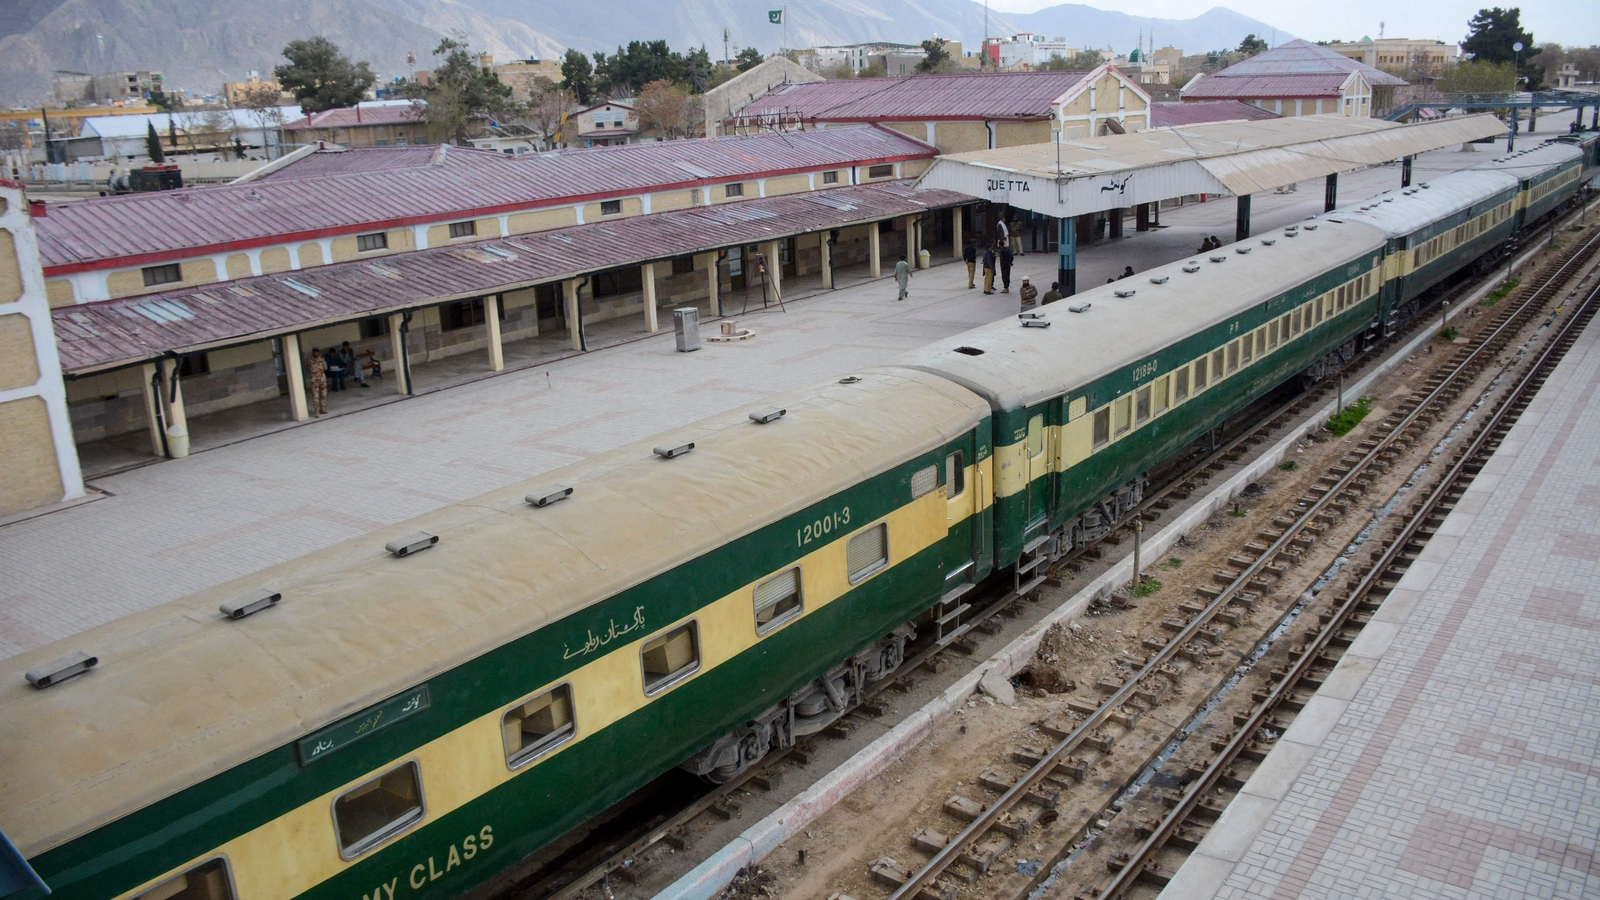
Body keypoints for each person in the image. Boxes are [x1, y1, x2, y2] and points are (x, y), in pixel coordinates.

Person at [307, 349, 328, 417]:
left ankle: (322, 408)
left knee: (323, 394)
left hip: (322, 379)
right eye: (315, 352)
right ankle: (316, 411)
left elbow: (325, 367)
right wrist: (320, 367)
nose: (316, 353)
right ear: (313, 353)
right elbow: (312, 369)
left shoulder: (322, 359)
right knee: (315, 396)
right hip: (315, 380)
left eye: (317, 352)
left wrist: (319, 368)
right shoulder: (310, 361)